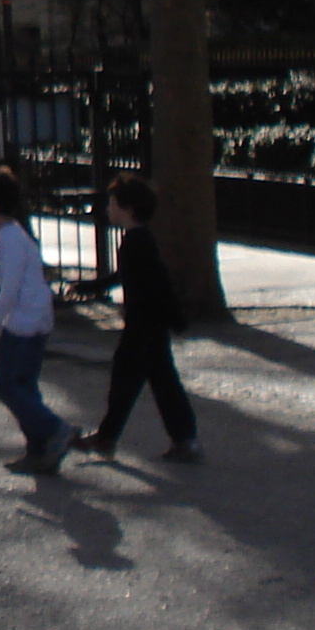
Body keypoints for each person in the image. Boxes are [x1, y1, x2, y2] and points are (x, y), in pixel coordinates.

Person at [72, 174, 201, 462]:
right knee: (160, 382)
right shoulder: (137, 240)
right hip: (148, 325)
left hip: (143, 326)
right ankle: (184, 439)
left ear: (128, 209)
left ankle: (108, 437)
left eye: (112, 203)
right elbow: (127, 276)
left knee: (129, 380)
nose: (108, 208)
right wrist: (91, 287)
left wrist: (175, 317)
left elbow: (158, 282)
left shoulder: (137, 242)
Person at [0, 170, 73, 473]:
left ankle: (54, 429)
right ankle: (40, 450)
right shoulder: (11, 235)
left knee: (6, 384)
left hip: (24, 322)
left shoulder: (9, 239)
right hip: (32, 318)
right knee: (25, 386)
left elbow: (10, 290)